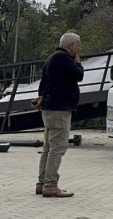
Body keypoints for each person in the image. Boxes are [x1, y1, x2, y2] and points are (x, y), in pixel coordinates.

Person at [32, 32, 84, 198]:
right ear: (70, 45)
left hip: (49, 108)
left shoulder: (51, 58)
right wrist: (78, 63)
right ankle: (50, 185)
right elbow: (79, 75)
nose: (79, 48)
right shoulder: (64, 58)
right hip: (59, 110)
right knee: (57, 148)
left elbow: (43, 84)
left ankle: (42, 183)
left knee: (48, 147)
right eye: (77, 45)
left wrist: (42, 97)